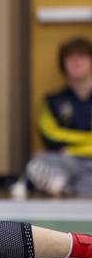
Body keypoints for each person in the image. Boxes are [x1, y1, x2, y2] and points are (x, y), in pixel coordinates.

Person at [12, 37, 92, 199]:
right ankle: (61, 186)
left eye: (82, 56)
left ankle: (63, 187)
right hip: (66, 161)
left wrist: (73, 148)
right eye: (70, 57)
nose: (76, 61)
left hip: (74, 155)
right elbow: (50, 136)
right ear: (63, 64)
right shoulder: (52, 101)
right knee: (39, 161)